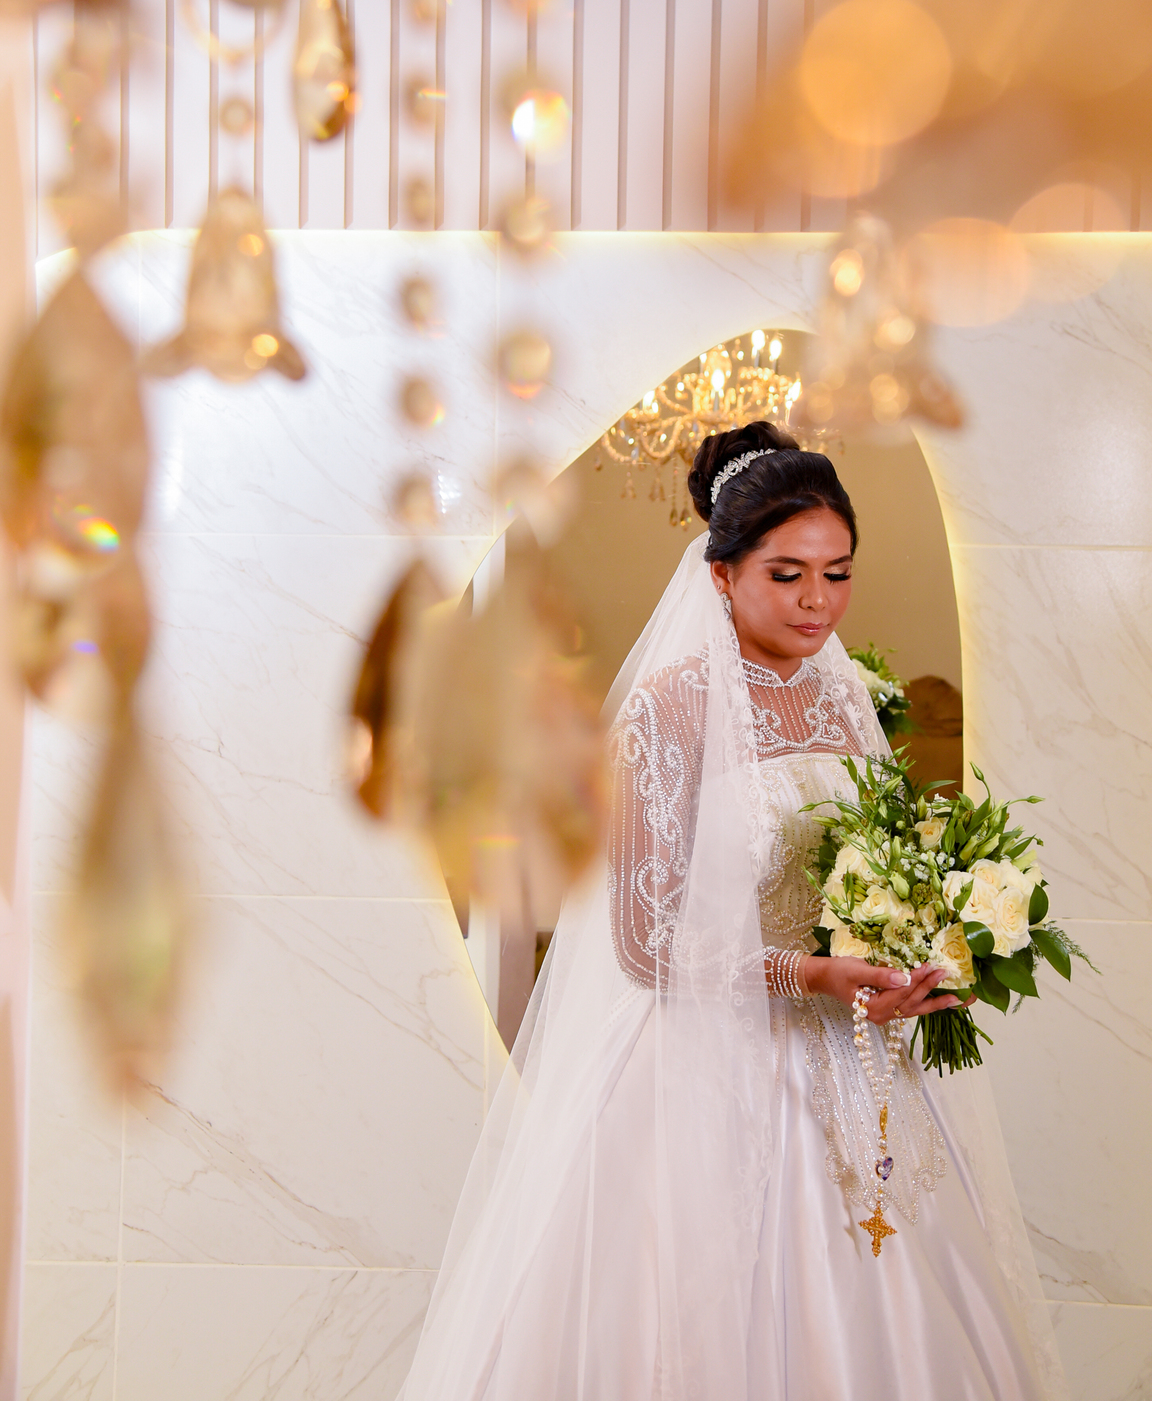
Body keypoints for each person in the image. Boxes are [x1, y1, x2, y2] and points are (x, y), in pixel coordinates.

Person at [402, 422, 1067, 1401]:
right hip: (703, 1064)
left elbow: (875, 871)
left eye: (837, 574)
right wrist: (809, 973)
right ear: (720, 575)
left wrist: (916, 955)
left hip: (849, 1058)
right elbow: (643, 942)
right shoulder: (667, 711)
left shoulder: (845, 700)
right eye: (786, 574)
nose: (817, 601)